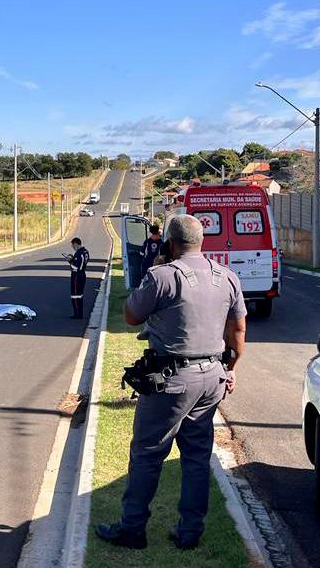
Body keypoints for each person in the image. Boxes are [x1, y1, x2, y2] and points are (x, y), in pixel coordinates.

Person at [95, 214, 247, 550]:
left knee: (147, 453)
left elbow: (132, 316)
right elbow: (237, 331)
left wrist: (156, 271)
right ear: (202, 241)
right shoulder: (227, 277)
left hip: (171, 381)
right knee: (196, 456)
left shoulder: (162, 276)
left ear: (171, 243)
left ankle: (132, 529)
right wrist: (230, 368)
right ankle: (190, 532)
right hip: (212, 380)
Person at [66, 237, 89, 319]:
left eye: (73, 246)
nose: (73, 247)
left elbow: (76, 266)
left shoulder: (80, 253)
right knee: (80, 295)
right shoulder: (85, 252)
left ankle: (77, 314)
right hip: (82, 275)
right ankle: (79, 313)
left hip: (77, 276)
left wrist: (70, 260)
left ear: (76, 244)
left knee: (75, 295)